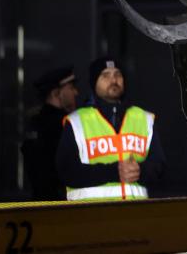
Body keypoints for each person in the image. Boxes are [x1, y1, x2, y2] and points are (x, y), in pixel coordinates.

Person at [56, 57, 166, 200]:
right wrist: (114, 172)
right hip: (90, 216)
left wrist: (141, 171)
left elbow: (159, 166)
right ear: (94, 82)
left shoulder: (143, 118)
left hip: (135, 215)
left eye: (118, 74)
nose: (113, 80)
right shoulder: (77, 121)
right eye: (105, 75)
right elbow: (66, 171)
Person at [22, 66, 79, 200]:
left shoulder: (35, 122)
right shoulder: (66, 124)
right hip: (61, 203)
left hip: (40, 202)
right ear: (55, 93)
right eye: (71, 88)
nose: (76, 93)